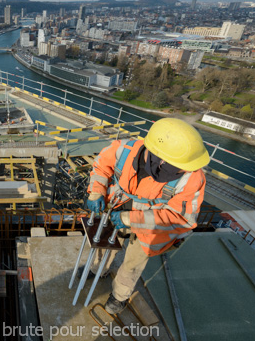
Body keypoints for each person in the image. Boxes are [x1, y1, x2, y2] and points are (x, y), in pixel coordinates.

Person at [86, 118, 209, 314]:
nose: (184, 170)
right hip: (115, 209)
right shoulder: (123, 150)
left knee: (133, 264)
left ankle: (119, 296)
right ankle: (98, 270)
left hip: (147, 227)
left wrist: (131, 219)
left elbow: (182, 218)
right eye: (179, 165)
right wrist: (96, 191)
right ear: (159, 158)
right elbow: (101, 167)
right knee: (104, 246)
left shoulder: (191, 178)